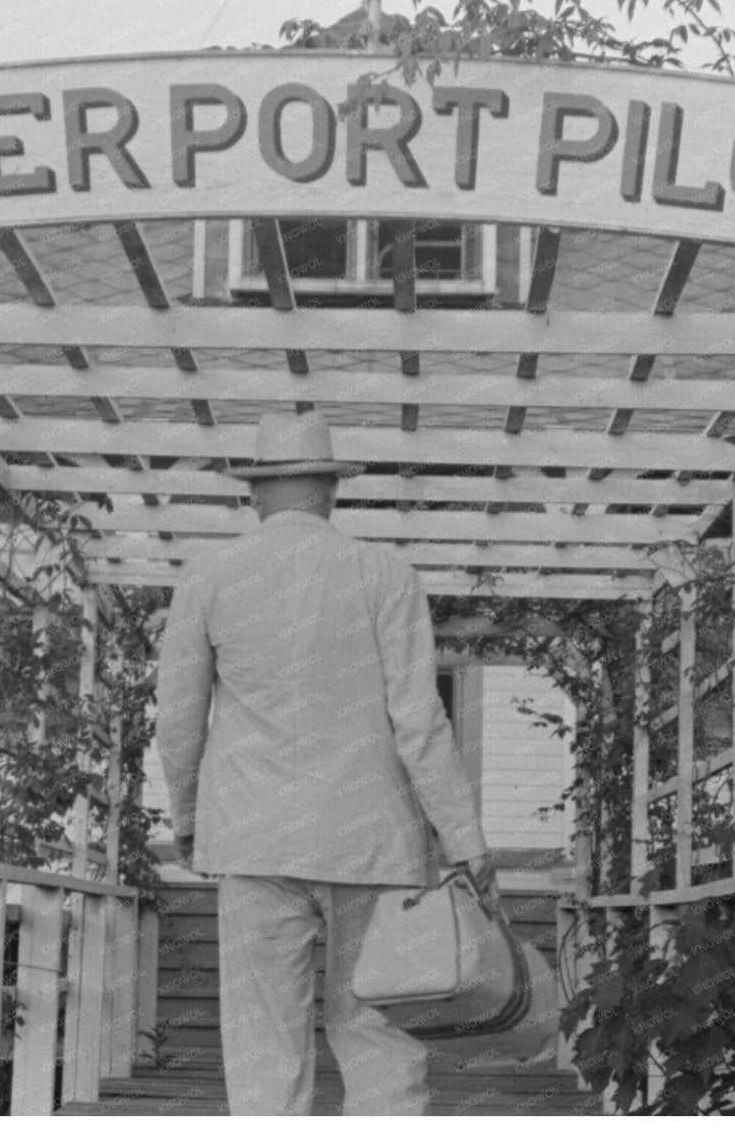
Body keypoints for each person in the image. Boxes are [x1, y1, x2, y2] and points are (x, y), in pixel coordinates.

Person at [155, 409, 497, 1116]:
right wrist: (465, 840)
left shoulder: (211, 577)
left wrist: (188, 818)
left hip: (254, 839)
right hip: (373, 840)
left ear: (254, 492)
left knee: (264, 1041)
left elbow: (180, 720)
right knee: (377, 1031)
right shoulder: (384, 572)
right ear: (332, 490)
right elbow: (419, 720)